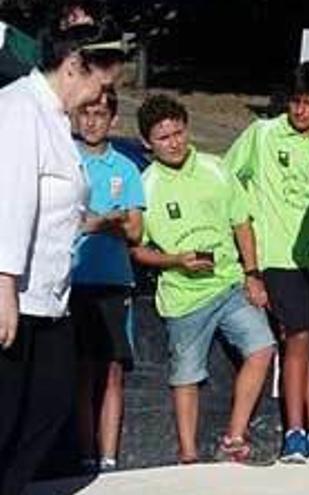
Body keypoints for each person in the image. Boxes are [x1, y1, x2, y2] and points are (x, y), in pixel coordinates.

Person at [0, 19, 127, 495]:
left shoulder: (53, 116)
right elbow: (10, 200)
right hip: (15, 296)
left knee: (50, 404)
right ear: (75, 65)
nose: (100, 97)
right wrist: (4, 284)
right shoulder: (19, 110)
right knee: (9, 413)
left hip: (50, 296)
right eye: (101, 83)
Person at [131, 95, 276, 464]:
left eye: (179, 133)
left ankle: (234, 436)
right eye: (163, 138)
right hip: (182, 295)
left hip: (228, 283)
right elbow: (137, 250)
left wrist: (252, 274)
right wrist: (175, 260)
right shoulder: (145, 185)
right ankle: (188, 453)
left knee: (262, 348)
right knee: (186, 374)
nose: (175, 143)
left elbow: (241, 223)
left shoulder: (215, 168)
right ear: (148, 143)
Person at [224, 62, 309, 463]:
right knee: (298, 337)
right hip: (278, 256)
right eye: (295, 102)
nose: (300, 111)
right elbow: (228, 176)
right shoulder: (263, 134)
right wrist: (248, 248)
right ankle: (293, 431)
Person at [71, 87, 144, 473]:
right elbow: (66, 222)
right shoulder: (66, 159)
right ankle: (84, 454)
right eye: (86, 113)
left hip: (115, 281)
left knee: (113, 368)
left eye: (100, 114)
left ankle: (110, 457)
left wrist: (94, 222)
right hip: (73, 281)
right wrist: (105, 220)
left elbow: (135, 231)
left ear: (113, 120)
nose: (92, 121)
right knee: (81, 369)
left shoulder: (125, 168)